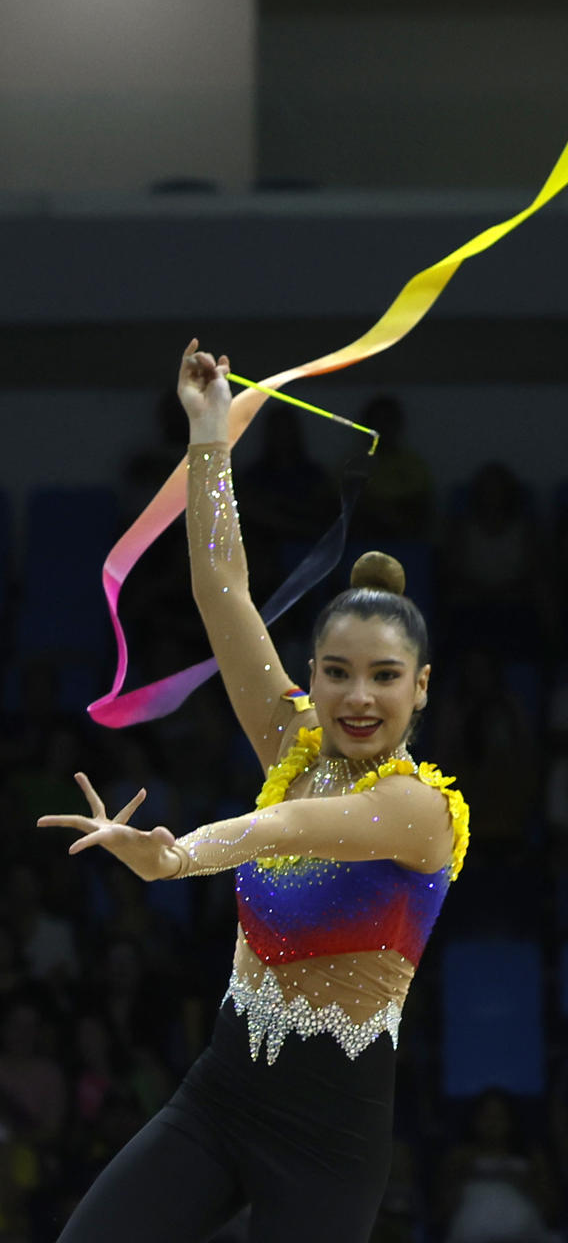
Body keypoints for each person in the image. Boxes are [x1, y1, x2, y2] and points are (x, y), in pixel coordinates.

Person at [36, 341, 469, 1242]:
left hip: (329, 1141)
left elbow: (292, 822)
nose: (358, 697)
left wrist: (182, 854)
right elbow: (221, 587)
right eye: (338, 673)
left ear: (420, 687)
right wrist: (209, 434)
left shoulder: (422, 811)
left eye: (385, 677)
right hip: (223, 1094)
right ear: (309, 675)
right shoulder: (292, 738)